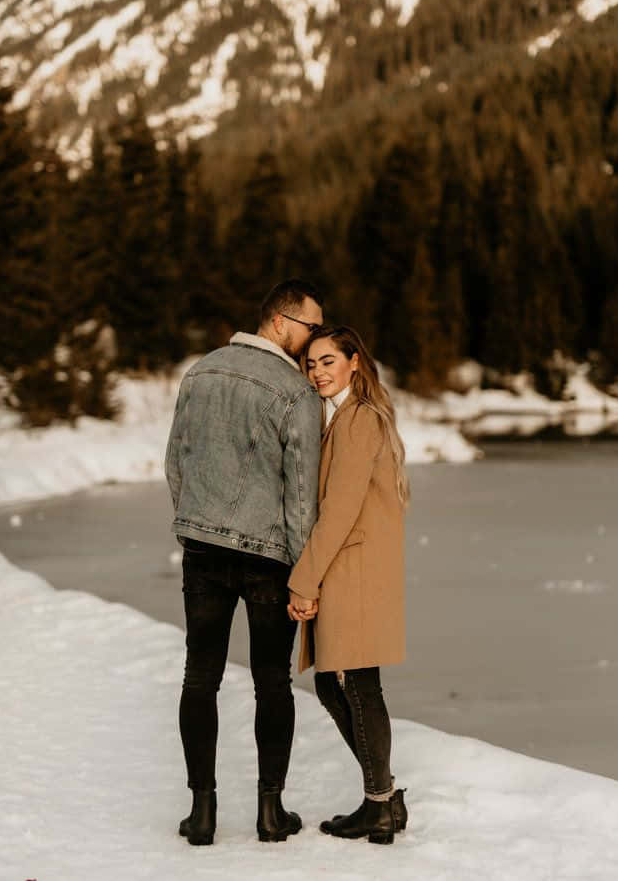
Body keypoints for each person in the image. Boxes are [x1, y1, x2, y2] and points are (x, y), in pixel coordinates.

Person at [165, 279, 324, 845]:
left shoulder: (201, 372)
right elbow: (300, 495)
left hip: (203, 548)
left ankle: (202, 813)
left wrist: (194, 523)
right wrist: (305, 571)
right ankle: (270, 812)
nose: (315, 339)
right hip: (268, 557)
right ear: (281, 321)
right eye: (310, 327)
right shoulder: (296, 393)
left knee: (199, 677)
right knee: (271, 683)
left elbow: (175, 463)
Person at [288, 324, 408, 845]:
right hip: (354, 566)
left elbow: (338, 511)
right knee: (347, 684)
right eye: (311, 364)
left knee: (355, 685)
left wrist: (303, 580)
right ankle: (383, 797)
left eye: (327, 361)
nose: (317, 372)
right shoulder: (344, 416)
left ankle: (379, 805)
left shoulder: (358, 419)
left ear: (354, 361)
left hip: (352, 569)